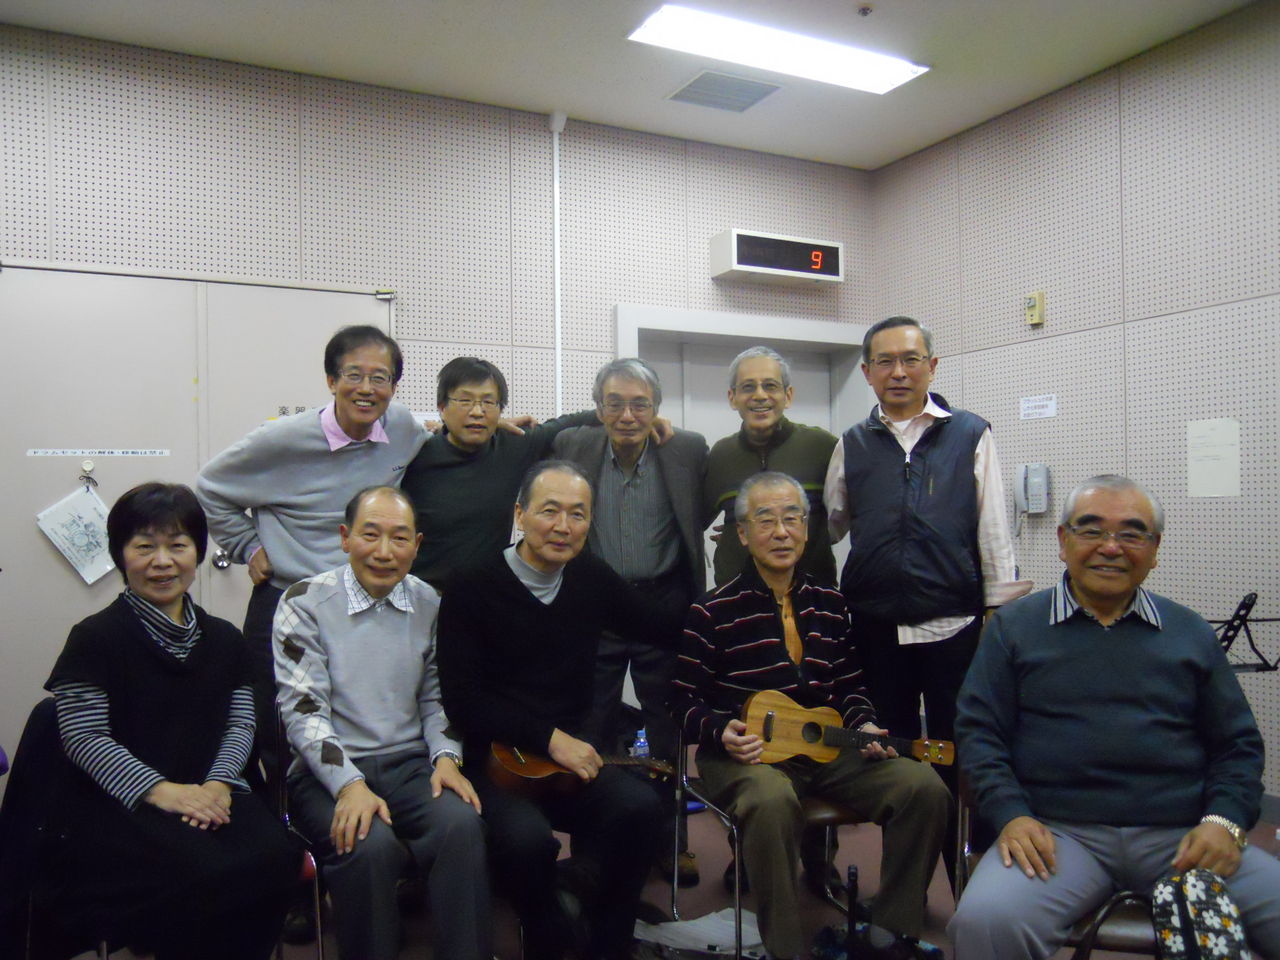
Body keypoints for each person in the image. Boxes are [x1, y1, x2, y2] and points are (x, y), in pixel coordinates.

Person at [949, 475, 1280, 958]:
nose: (1110, 547)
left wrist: (1223, 820)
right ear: (1063, 541)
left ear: (1155, 549)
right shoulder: (1013, 629)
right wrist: (1011, 815)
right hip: (1056, 835)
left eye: (1131, 533)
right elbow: (979, 735)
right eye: (1091, 530)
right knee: (985, 922)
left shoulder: (1189, 632)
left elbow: (1238, 745)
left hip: (1183, 835)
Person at [672, 471, 950, 960]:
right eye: (766, 520)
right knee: (772, 800)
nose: (781, 532)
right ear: (743, 534)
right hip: (746, 756)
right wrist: (720, 730)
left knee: (923, 787)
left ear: (806, 528)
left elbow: (849, 685)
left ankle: (890, 933)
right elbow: (682, 702)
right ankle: (784, 948)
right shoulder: (712, 611)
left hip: (824, 749)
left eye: (792, 518)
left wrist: (863, 722)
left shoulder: (830, 603)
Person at [43, 482, 297, 959]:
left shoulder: (225, 638)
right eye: (145, 547)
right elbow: (83, 737)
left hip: (217, 792)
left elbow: (242, 723)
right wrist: (165, 792)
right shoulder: (94, 638)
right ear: (121, 555)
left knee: (277, 859)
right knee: (201, 873)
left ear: (197, 553)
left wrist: (218, 784)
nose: (162, 562)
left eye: (177, 545)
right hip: (127, 803)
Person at [437, 460, 665, 960]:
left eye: (578, 514)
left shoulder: (589, 577)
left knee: (640, 808)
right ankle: (552, 930)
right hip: (493, 764)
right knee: (528, 843)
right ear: (520, 514)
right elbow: (463, 701)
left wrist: (726, 614)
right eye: (550, 511)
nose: (564, 526)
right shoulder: (472, 586)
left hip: (564, 764)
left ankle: (606, 940)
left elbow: (657, 624)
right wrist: (549, 737)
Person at [196, 324, 427, 781]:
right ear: (331, 380)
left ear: (394, 386)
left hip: (361, 604)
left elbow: (436, 434)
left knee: (350, 726)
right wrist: (248, 546)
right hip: (289, 599)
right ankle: (285, 820)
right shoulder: (281, 440)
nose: (366, 388)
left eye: (380, 378)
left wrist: (491, 427)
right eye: (353, 375)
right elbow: (210, 487)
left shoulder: (401, 428)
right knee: (279, 733)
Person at [274, 485, 489, 960]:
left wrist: (447, 759)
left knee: (460, 825)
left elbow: (437, 697)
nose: (384, 552)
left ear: (417, 545)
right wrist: (348, 784)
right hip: (326, 773)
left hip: (410, 765)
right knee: (367, 845)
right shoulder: (303, 602)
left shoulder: (430, 603)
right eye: (370, 535)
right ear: (345, 537)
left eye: (400, 538)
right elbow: (304, 711)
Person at [823, 316, 1029, 802]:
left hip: (953, 625)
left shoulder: (970, 434)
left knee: (956, 748)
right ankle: (904, 848)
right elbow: (830, 524)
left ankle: (960, 849)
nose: (898, 372)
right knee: (887, 755)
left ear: (932, 366)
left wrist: (996, 612)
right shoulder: (851, 443)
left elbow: (993, 528)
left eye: (910, 360)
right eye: (885, 362)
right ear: (867, 372)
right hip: (874, 625)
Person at [553, 357, 708, 886]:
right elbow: (544, 435)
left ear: (657, 408)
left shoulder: (688, 449)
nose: (627, 415)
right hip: (595, 607)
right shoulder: (573, 445)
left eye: (640, 404)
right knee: (590, 727)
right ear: (598, 409)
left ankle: (671, 844)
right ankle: (592, 847)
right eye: (614, 404)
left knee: (666, 730)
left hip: (662, 603)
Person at [402, 356, 604, 588]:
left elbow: (574, 420)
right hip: (421, 595)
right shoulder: (414, 454)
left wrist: (630, 412)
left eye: (488, 402)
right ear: (442, 408)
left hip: (485, 596)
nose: (477, 411)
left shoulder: (514, 445)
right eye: (465, 400)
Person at [705, 346, 838, 587]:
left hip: (812, 597)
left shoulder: (823, 447)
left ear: (788, 395)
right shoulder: (720, 454)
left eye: (770, 386)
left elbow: (853, 516)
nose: (759, 395)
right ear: (732, 397)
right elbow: (693, 518)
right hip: (735, 599)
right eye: (748, 387)